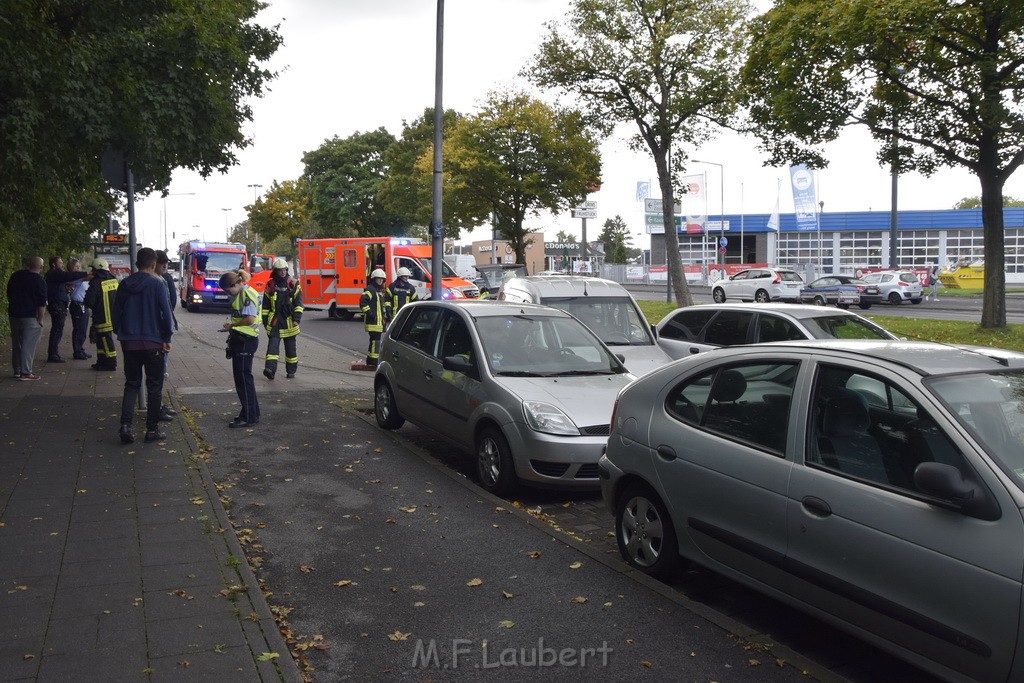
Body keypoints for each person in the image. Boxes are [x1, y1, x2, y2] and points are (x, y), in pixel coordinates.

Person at [112, 248, 174, 444]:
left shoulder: (123, 285)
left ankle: (125, 425)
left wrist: (121, 332)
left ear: (137, 263)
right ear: (154, 264)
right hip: (153, 342)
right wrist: (167, 337)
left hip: (129, 342)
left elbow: (115, 312)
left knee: (131, 384)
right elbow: (166, 313)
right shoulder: (158, 285)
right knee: (154, 387)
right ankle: (152, 429)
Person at [220, 269, 260, 427]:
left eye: (228, 290)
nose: (228, 293)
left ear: (235, 284)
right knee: (245, 379)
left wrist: (232, 325)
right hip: (244, 339)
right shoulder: (245, 292)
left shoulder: (245, 295)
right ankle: (252, 413)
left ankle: (248, 417)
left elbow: (249, 319)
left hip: (245, 340)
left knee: (243, 380)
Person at [261, 258, 303, 380]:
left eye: (284, 270)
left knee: (291, 350)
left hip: (290, 322)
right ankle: (270, 370)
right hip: (275, 322)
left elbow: (299, 304)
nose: (282, 272)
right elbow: (265, 306)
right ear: (275, 271)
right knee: (272, 348)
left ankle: (291, 371)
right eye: (280, 270)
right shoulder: (270, 285)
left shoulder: (294, 284)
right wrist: (265, 321)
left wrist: (297, 320)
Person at [6, 256, 46, 381]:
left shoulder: (15, 276)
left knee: (17, 343)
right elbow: (41, 303)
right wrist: (40, 319)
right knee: (28, 346)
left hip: (14, 314)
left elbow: (9, 293)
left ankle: (17, 370)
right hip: (30, 316)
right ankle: (26, 372)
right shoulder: (39, 280)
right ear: (41, 267)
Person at [44, 255, 87, 363]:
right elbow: (67, 276)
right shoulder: (54, 273)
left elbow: (58, 286)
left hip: (59, 303)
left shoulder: (54, 275)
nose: (62, 264)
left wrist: (66, 289)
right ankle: (53, 354)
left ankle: (53, 353)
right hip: (57, 304)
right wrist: (86, 274)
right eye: (60, 262)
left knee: (58, 328)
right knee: (57, 329)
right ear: (54, 264)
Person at [154, 250, 178, 421]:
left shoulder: (165, 279)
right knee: (157, 373)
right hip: (158, 335)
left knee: (161, 372)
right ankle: (157, 408)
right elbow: (166, 308)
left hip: (161, 333)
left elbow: (171, 304)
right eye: (163, 263)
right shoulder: (158, 282)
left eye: (166, 263)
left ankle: (159, 405)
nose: (165, 265)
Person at [85, 258, 119, 370]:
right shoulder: (113, 279)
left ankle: (111, 363)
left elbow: (89, 301)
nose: (92, 272)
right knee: (101, 340)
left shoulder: (96, 282)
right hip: (113, 316)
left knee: (105, 340)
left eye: (93, 269)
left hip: (101, 317)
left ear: (97, 269)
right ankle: (101, 362)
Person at [359, 268, 391, 367]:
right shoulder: (370, 290)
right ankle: (373, 362)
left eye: (382, 279)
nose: (380, 281)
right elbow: (363, 302)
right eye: (378, 279)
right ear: (374, 279)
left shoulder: (378, 291)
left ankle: (370, 360)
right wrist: (370, 313)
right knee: (375, 342)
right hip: (373, 322)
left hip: (378, 322)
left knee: (373, 341)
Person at [68, 258, 91, 360]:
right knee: (78, 329)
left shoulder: (80, 278)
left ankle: (80, 349)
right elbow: (88, 277)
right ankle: (77, 351)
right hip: (77, 305)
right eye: (75, 266)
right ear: (71, 268)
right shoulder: (74, 278)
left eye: (79, 266)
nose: (78, 268)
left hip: (83, 304)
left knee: (83, 328)